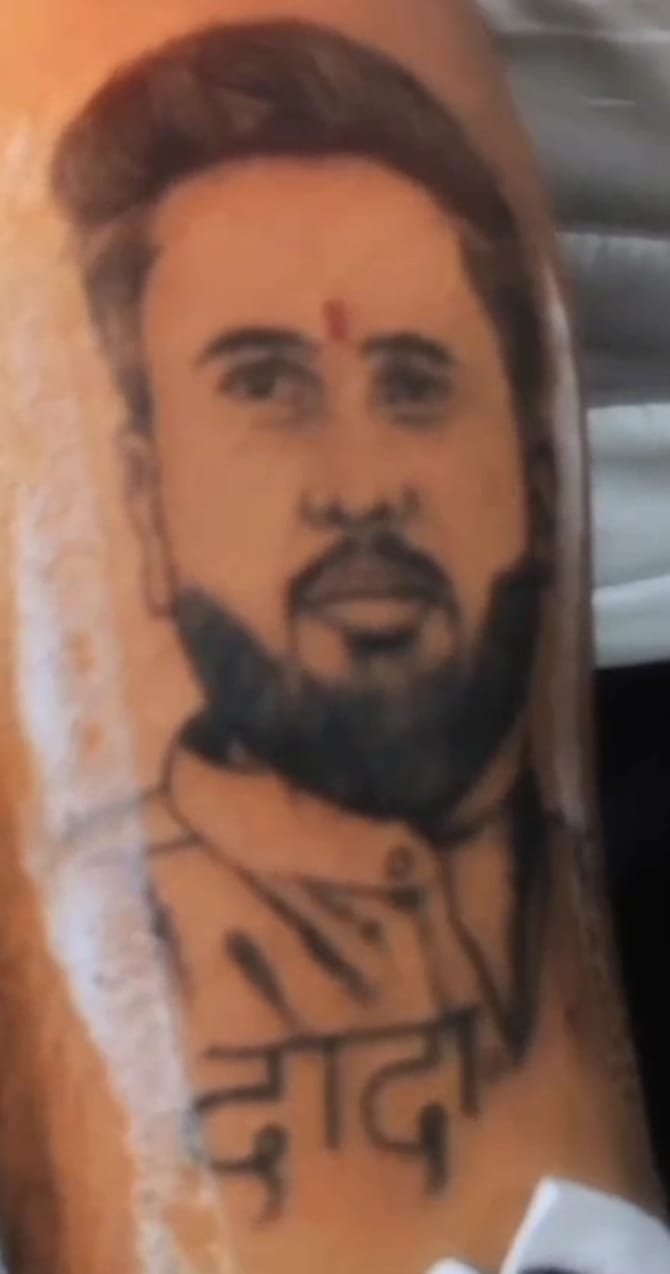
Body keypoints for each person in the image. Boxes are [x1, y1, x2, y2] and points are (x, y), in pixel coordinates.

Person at [0, 2, 665, 1273]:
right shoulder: (158, 943)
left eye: (413, 384)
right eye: (262, 384)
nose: (361, 491)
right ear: (138, 492)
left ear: (526, 473)